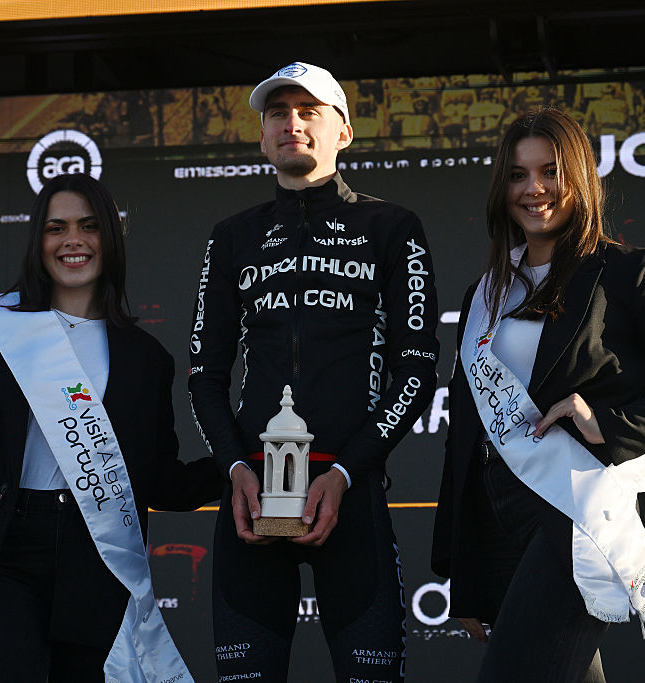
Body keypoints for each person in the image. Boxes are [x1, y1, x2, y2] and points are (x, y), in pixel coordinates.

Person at [431, 108, 645, 682]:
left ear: (579, 176)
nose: (534, 190)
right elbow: (467, 434)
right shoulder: (485, 292)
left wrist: (610, 424)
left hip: (575, 511)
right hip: (500, 525)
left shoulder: (627, 273)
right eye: (518, 175)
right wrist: (464, 571)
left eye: (550, 171)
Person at [0, 173, 221, 682]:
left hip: (97, 558)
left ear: (110, 240)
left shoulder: (146, 359)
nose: (72, 241)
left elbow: (158, 479)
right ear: (38, 241)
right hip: (7, 549)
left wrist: (239, 464)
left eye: (89, 226)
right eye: (56, 228)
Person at [188, 61, 439, 681]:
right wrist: (236, 469)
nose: (291, 123)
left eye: (309, 112)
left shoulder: (392, 228)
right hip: (251, 498)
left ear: (343, 132)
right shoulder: (232, 237)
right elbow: (204, 374)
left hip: (349, 496)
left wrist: (351, 471)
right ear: (263, 134)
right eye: (278, 112)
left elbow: (417, 366)